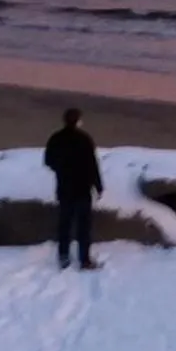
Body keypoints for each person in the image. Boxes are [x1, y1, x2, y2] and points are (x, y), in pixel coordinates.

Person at [43, 107, 103, 270]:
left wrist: (61, 169)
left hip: (64, 188)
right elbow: (92, 165)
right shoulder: (84, 139)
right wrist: (98, 186)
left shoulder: (56, 138)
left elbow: (48, 161)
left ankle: (63, 256)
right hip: (82, 189)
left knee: (64, 223)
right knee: (84, 227)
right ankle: (85, 260)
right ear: (78, 121)